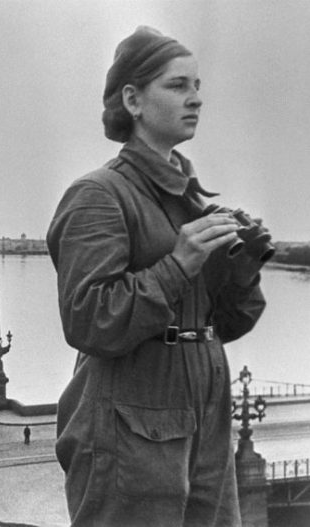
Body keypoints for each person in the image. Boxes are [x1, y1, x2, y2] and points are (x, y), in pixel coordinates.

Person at [46, 27, 267, 526]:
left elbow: (225, 325)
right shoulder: (99, 195)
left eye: (198, 86)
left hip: (205, 422)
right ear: (133, 99)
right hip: (127, 427)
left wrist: (243, 271)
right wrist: (177, 264)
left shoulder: (190, 202)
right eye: (178, 86)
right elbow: (87, 320)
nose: (196, 99)